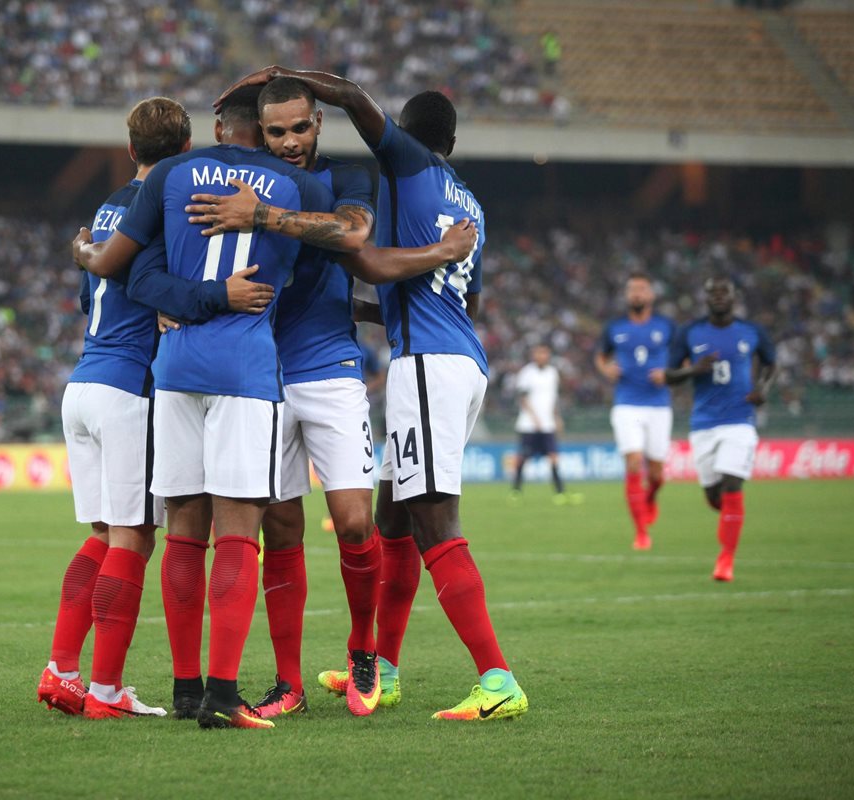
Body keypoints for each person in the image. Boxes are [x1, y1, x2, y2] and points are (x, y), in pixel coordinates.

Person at [215, 66, 527, 722]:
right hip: (454, 354)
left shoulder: (404, 167)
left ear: (407, 139)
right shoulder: (469, 204)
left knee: (433, 520)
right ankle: (381, 665)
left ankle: (497, 678)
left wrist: (289, 76)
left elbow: (358, 104)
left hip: (425, 368)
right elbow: (439, 298)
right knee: (392, 518)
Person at [73, 86, 337, 730]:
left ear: (218, 127)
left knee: (185, 532)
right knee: (239, 536)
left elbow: (134, 277)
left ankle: (186, 686)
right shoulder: (293, 187)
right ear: (268, 132)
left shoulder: (168, 174)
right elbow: (337, 246)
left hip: (174, 368)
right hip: (246, 368)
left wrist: (90, 253)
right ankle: (223, 695)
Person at [38, 96, 274, 721]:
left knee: (104, 537)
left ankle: (62, 669)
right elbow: (151, 284)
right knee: (134, 537)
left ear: (130, 148)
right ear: (188, 151)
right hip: (127, 389)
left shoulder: (105, 210)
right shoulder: (173, 211)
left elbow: (99, 278)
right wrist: (202, 298)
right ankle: (107, 691)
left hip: (83, 382)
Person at [665, 276, 776, 582]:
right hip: (703, 425)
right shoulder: (690, 332)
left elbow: (770, 362)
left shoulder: (751, 331)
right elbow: (669, 374)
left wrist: (763, 388)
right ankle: (730, 515)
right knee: (715, 495)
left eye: (723, 292)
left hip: (739, 420)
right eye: (712, 292)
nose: (718, 297)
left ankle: (725, 560)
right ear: (705, 298)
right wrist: (693, 369)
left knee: (731, 484)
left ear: (734, 297)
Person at [594, 274, 677, 550]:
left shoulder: (666, 326)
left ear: (651, 294)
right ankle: (641, 532)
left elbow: (684, 357)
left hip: (659, 405)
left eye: (642, 289)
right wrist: (606, 369)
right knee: (633, 462)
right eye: (632, 290)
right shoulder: (615, 328)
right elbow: (601, 356)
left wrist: (669, 374)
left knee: (656, 474)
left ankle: (650, 496)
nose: (637, 294)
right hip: (627, 403)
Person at [510, 344, 578, 504]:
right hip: (528, 424)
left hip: (547, 424)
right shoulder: (527, 372)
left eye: (544, 353)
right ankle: (516, 490)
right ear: (534, 355)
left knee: (554, 457)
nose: (541, 356)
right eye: (538, 353)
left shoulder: (553, 373)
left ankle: (560, 492)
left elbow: (553, 399)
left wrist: (557, 417)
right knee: (523, 457)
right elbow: (523, 398)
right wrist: (534, 418)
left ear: (548, 355)